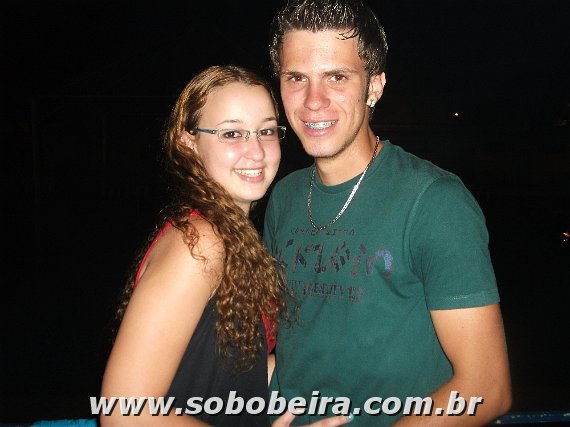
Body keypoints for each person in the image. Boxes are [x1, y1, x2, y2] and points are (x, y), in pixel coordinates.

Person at [263, 1, 512, 426]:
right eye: (296, 78)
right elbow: (294, 349)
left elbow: (487, 388)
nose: (313, 101)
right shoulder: (283, 196)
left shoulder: (434, 202)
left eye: (337, 77)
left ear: (374, 87)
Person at [100, 65, 351, 427]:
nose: (256, 151)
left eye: (266, 131)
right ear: (189, 143)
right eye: (232, 133)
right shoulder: (200, 242)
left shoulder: (233, 238)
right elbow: (124, 412)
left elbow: (227, 372)